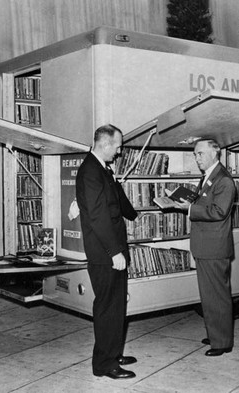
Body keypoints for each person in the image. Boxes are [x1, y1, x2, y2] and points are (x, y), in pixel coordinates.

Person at [76, 124, 138, 379]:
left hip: (111, 249)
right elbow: (98, 216)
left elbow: (116, 199)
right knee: (107, 307)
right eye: (118, 145)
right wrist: (114, 252)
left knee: (116, 304)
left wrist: (134, 214)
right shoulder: (90, 171)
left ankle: (113, 352)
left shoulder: (102, 168)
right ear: (105, 144)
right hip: (104, 253)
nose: (120, 150)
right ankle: (104, 364)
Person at [175, 138, 236, 356]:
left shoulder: (224, 180)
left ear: (214, 153)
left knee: (217, 296)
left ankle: (222, 343)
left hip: (214, 248)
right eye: (195, 154)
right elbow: (207, 204)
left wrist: (190, 209)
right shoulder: (210, 177)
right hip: (206, 246)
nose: (197, 158)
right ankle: (215, 334)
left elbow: (218, 211)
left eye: (200, 153)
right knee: (209, 295)